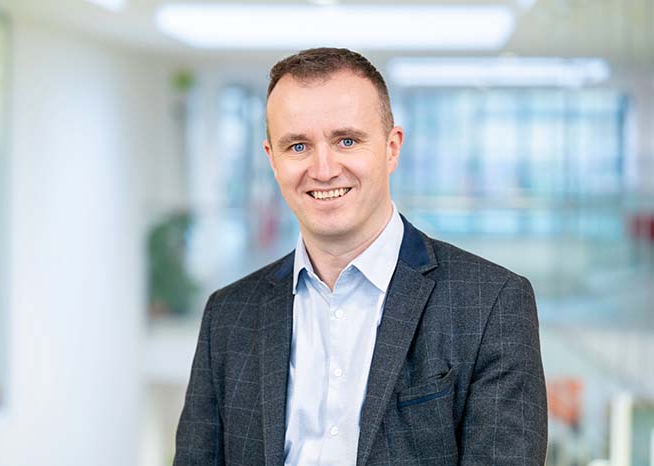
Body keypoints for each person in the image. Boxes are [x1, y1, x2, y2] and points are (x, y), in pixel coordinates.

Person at [173, 47, 547, 466]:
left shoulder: (492, 304)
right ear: (272, 160)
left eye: (346, 140)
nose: (323, 168)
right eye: (297, 146)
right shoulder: (228, 315)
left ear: (391, 148)